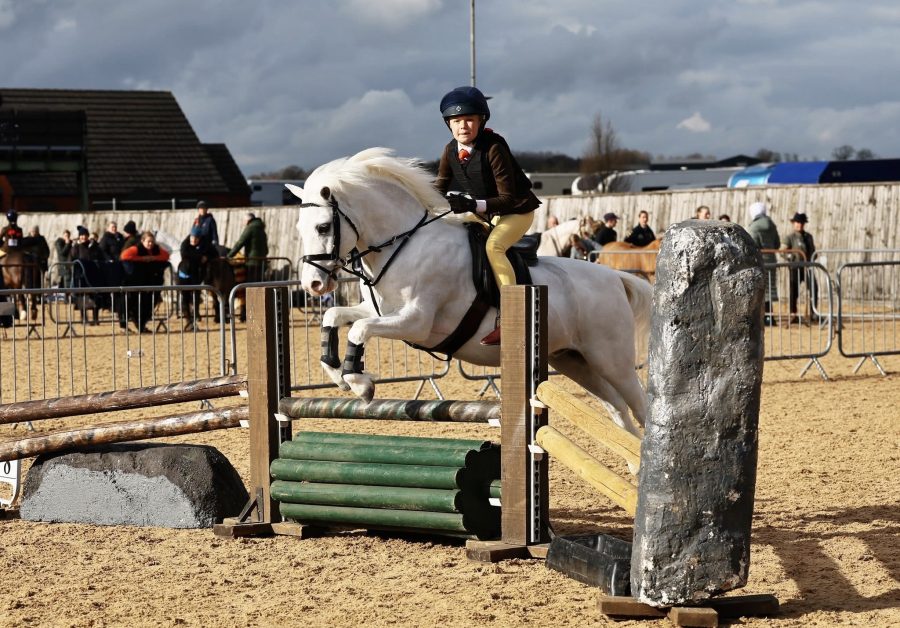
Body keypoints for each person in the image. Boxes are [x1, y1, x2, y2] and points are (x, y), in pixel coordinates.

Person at [433, 85, 541, 346]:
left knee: (494, 247)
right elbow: (438, 188)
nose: (463, 126)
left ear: (481, 121)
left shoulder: (494, 147)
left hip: (516, 211)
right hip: (489, 213)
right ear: (448, 124)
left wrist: (472, 204)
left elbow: (508, 199)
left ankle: (513, 318)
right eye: (456, 121)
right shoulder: (449, 151)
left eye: (469, 119)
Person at [119, 231, 170, 332]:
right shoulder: (136, 249)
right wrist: (142, 258)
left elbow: (166, 255)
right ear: (142, 241)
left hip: (150, 282)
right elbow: (124, 256)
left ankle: (141, 325)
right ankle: (125, 325)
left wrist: (153, 258)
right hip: (134, 281)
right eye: (148, 242)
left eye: (152, 242)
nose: (150, 244)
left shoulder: (156, 249)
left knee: (148, 305)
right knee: (131, 303)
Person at [178, 226, 219, 330]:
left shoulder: (205, 244)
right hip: (184, 274)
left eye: (196, 238)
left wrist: (207, 257)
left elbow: (215, 254)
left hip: (196, 275)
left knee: (196, 297)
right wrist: (200, 257)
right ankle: (188, 321)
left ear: (200, 238)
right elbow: (185, 255)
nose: (194, 240)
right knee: (185, 298)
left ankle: (195, 317)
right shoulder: (185, 244)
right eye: (192, 237)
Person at [747, 202, 780, 326]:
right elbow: (777, 244)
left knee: (761, 288)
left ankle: (763, 317)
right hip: (772, 260)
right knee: (770, 288)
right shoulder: (772, 225)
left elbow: (752, 244)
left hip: (760, 260)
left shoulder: (754, 227)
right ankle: (770, 317)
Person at [782, 212, 818, 324]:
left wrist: (813, 257)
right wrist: (792, 257)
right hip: (795, 268)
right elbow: (782, 251)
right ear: (794, 223)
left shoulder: (809, 237)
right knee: (794, 291)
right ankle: (793, 314)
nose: (800, 224)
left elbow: (813, 250)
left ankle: (813, 313)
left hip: (807, 267)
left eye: (802, 222)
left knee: (814, 288)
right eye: (797, 222)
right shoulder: (790, 237)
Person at [228, 212, 269, 283]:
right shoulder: (261, 229)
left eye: (244, 221)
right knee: (260, 283)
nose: (244, 223)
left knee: (251, 284)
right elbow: (266, 249)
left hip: (252, 262)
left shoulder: (250, 228)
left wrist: (229, 255)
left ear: (247, 220)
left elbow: (240, 243)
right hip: (262, 262)